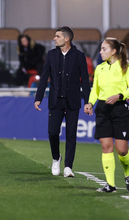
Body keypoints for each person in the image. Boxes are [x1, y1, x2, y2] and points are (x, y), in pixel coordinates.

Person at [34, 26, 90, 178]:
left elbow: (85, 80)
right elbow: (44, 77)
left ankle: (68, 167)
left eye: (57, 36)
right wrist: (38, 97)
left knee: (71, 134)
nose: (54, 38)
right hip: (55, 101)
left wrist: (88, 101)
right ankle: (56, 158)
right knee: (53, 132)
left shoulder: (79, 56)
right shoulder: (51, 55)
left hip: (73, 101)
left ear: (67, 39)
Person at [84, 37, 129, 193]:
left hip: (120, 109)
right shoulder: (99, 68)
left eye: (104, 49)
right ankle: (110, 185)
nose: (101, 52)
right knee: (106, 147)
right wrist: (90, 103)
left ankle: (128, 174)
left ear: (114, 51)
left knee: (121, 150)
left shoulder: (126, 67)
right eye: (101, 49)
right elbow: (95, 89)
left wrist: (119, 96)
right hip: (102, 109)